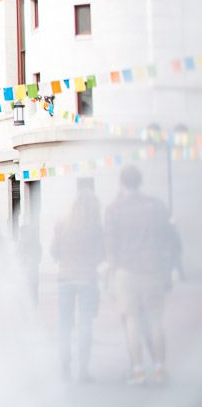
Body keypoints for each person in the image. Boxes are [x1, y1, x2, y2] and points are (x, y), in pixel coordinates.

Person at [105, 165, 180, 386]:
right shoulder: (157, 206)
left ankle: (138, 370)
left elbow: (110, 245)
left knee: (132, 321)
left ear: (121, 183)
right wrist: (167, 270)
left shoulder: (114, 208)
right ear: (140, 181)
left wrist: (111, 272)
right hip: (153, 270)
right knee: (155, 320)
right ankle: (159, 368)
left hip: (126, 272)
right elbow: (168, 239)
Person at [50, 191, 105, 383]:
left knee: (65, 325)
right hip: (87, 279)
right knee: (85, 323)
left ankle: (65, 367)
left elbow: (54, 252)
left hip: (65, 278)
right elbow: (101, 255)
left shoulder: (62, 226)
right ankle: (83, 370)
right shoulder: (95, 228)